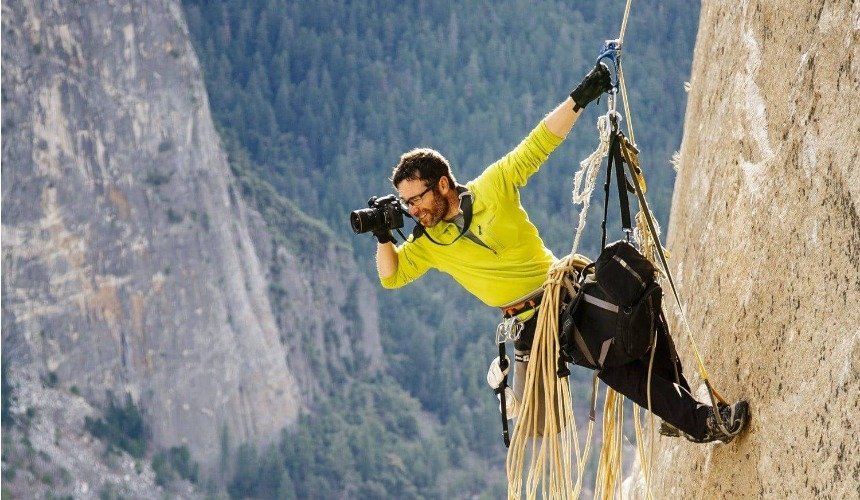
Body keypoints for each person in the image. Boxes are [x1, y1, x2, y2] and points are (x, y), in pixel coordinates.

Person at [370, 63, 748, 444]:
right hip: (536, 321)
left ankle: (679, 408)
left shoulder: (492, 188)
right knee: (611, 358)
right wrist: (384, 236)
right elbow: (392, 276)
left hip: (564, 289)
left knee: (639, 294)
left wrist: (580, 97)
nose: (414, 210)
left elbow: (538, 143)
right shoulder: (428, 244)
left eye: (417, 199)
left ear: (442, 184)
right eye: (406, 204)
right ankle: (701, 423)